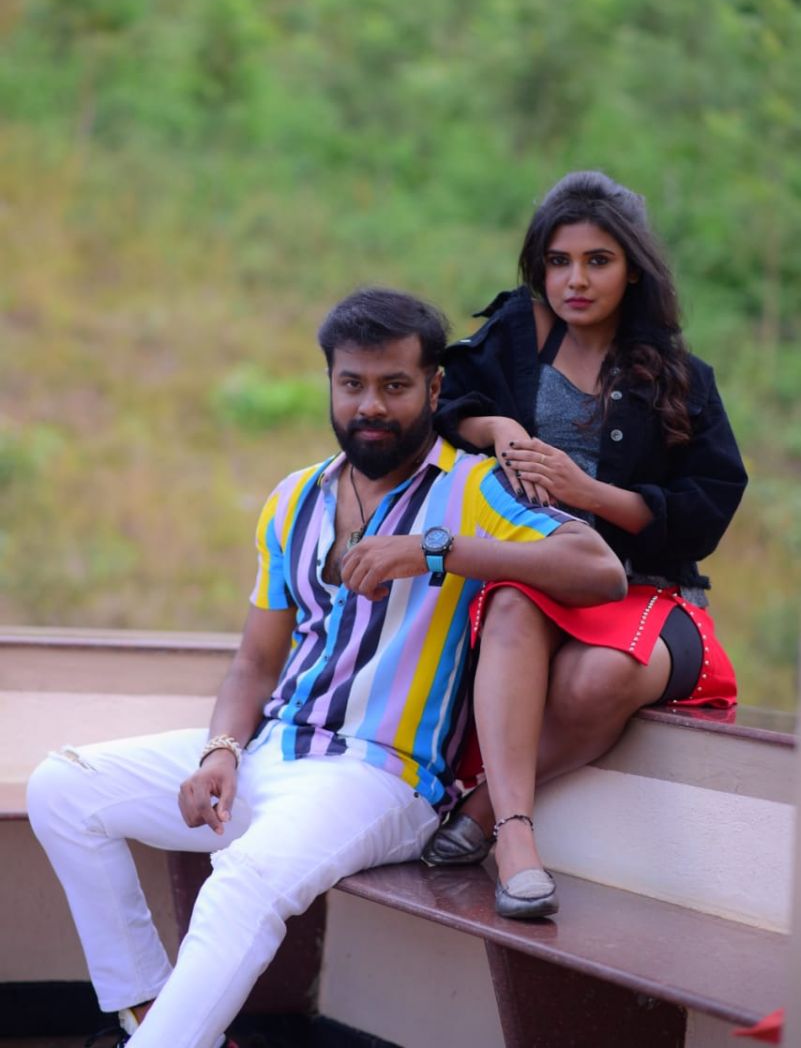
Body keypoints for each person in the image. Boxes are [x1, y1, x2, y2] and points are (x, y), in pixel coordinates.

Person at [27, 287, 626, 1048]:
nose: (370, 405)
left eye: (394, 385)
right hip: (272, 753)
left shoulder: (473, 488)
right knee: (63, 788)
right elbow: (254, 662)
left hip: (379, 778)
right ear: (330, 385)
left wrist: (434, 552)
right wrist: (220, 751)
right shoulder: (293, 498)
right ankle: (147, 1013)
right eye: (352, 384)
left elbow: (599, 569)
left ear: (434, 388)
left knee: (241, 881)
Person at [423, 170, 747, 893]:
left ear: (632, 269)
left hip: (647, 591)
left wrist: (589, 493)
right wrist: (497, 427)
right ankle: (516, 842)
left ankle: (481, 807)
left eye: (597, 260)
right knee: (513, 598)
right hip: (536, 576)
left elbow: (707, 507)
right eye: (558, 261)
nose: (575, 280)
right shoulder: (517, 335)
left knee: (601, 676)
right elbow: (446, 401)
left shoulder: (679, 377)